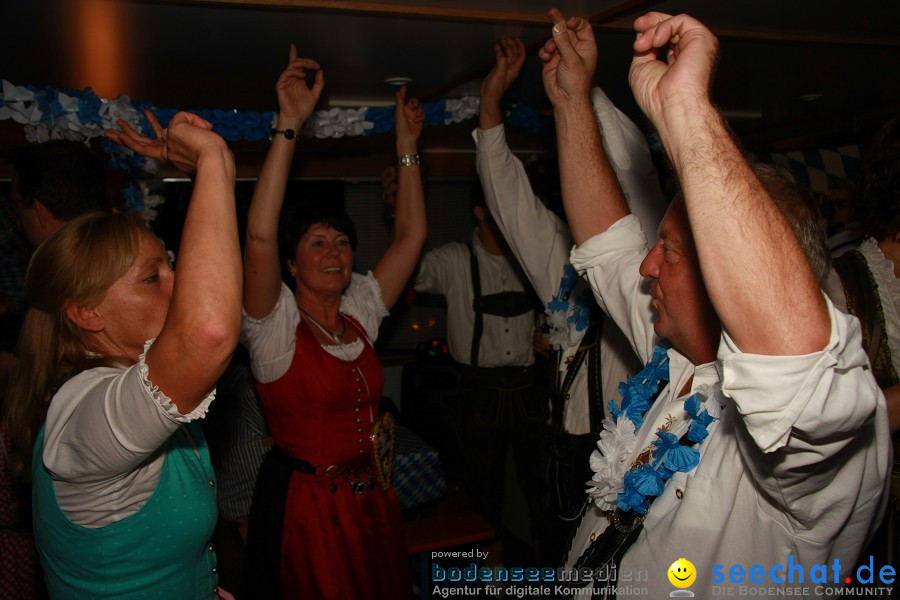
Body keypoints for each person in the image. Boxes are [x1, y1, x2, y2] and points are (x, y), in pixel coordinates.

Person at [539, 8, 889, 597]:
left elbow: (796, 371)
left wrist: (686, 111)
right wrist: (573, 101)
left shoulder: (811, 446)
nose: (648, 266)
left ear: (731, 280)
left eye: (670, 253)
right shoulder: (673, 349)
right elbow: (608, 244)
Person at [4, 110, 241, 598]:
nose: (179, 285)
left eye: (170, 267)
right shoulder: (84, 410)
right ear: (88, 313)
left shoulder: (137, 384)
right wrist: (214, 160)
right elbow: (208, 333)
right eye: (154, 278)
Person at [239, 45, 425, 599]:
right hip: (308, 509)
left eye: (342, 242)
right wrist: (289, 126)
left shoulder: (359, 310)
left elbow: (411, 237)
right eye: (317, 243)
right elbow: (259, 236)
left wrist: (408, 148)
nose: (334, 253)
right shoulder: (274, 326)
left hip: (371, 499)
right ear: (292, 264)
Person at [473, 36, 666, 566]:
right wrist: (491, 102)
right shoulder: (564, 252)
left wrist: (584, 89)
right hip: (562, 452)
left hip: (642, 458)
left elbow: (632, 166)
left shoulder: (657, 254)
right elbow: (506, 194)